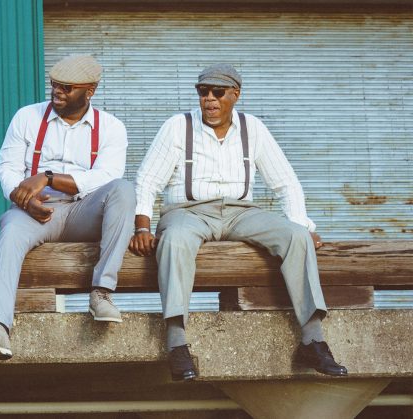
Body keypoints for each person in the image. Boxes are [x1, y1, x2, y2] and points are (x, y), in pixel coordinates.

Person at [130, 63, 348, 381]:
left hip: (240, 211)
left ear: (236, 95)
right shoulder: (178, 126)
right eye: (203, 92)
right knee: (174, 241)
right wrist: (142, 226)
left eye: (218, 92)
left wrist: (302, 224)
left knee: (296, 237)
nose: (210, 99)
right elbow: (147, 180)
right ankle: (177, 343)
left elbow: (285, 181)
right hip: (188, 212)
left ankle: (313, 340)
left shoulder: (252, 128)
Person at [0, 54, 134, 361]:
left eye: (67, 88)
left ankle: (101, 293)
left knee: (123, 190)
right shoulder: (27, 117)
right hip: (36, 210)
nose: (57, 92)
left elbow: (106, 177)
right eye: (55, 85)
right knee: (10, 231)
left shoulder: (111, 128)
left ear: (90, 91)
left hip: (85, 210)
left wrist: (48, 177)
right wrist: (23, 198)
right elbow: (7, 167)